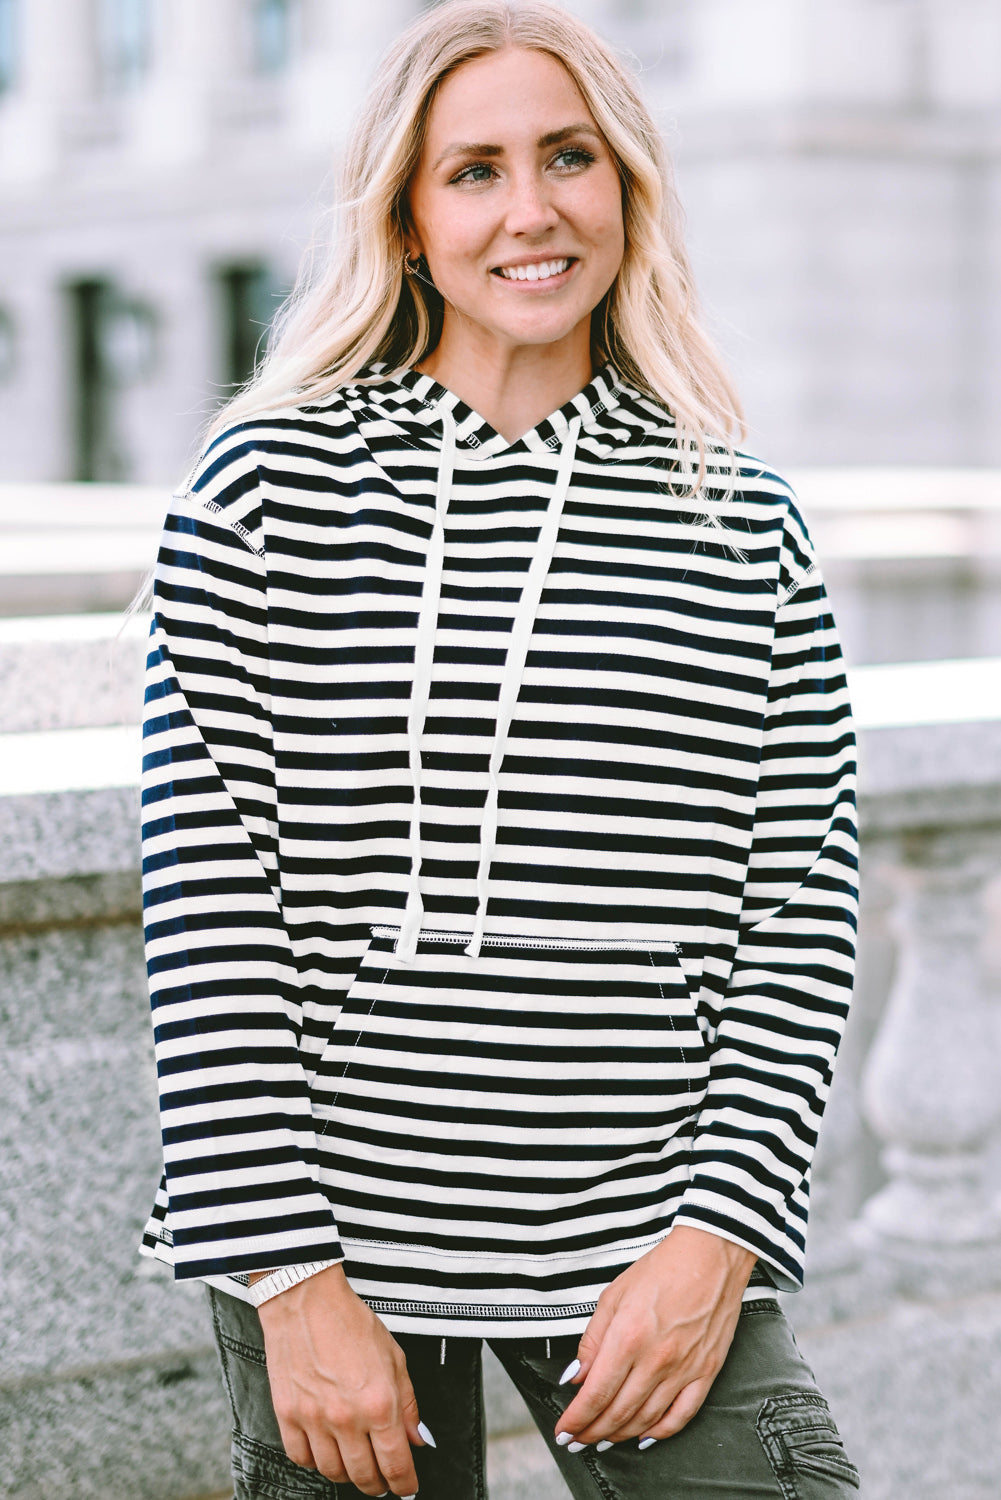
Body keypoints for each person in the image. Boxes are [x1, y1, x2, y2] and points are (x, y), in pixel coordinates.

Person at [139, 3, 860, 1496]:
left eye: (567, 158)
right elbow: (207, 905)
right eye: (471, 170)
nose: (528, 211)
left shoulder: (739, 520)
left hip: (643, 1228)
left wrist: (716, 1236)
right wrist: (289, 1281)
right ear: (405, 216)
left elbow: (798, 905)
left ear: (627, 188)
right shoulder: (268, 486)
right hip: (337, 1243)